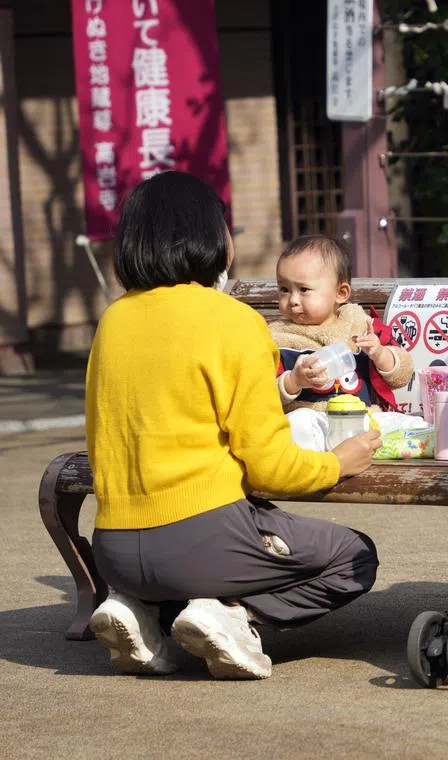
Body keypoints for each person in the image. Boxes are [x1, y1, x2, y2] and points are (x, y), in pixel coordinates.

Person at [86, 171, 383, 680]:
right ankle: (231, 616)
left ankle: (139, 609)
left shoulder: (112, 321)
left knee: (181, 561)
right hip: (203, 541)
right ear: (208, 237)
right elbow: (269, 467)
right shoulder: (233, 320)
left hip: (111, 547)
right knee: (355, 557)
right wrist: (337, 462)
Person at [269, 234, 415, 451]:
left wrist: (380, 354)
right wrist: (294, 381)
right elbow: (262, 394)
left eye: (304, 290)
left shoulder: (361, 325)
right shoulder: (277, 338)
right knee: (296, 424)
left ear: (341, 293)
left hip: (363, 420)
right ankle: (319, 467)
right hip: (315, 422)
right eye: (284, 289)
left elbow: (402, 374)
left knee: (408, 425)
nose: (293, 300)